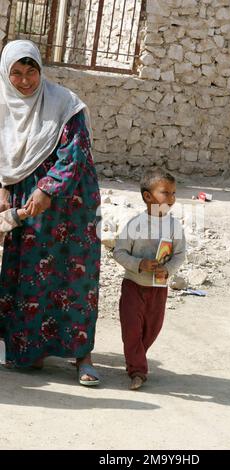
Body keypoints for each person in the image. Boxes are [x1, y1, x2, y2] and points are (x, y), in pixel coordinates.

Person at [0, 40, 101, 386]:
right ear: (5, 73)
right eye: (17, 72)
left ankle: (82, 356)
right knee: (28, 274)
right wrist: (2, 189)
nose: (25, 80)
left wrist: (48, 189)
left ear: (41, 71)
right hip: (26, 206)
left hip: (71, 204)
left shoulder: (64, 104)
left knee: (75, 276)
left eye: (32, 72)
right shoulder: (2, 105)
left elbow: (76, 152)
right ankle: (30, 352)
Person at [113, 168, 186, 390]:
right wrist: (139, 264)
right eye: (166, 193)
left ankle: (136, 357)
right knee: (132, 329)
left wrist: (169, 269)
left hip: (158, 288)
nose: (172, 199)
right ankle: (137, 370)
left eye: (174, 193)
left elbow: (180, 254)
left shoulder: (175, 226)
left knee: (152, 329)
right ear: (148, 196)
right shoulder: (135, 224)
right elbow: (119, 252)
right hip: (134, 286)